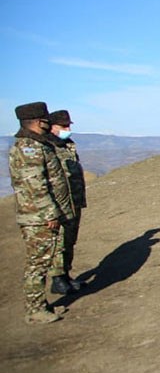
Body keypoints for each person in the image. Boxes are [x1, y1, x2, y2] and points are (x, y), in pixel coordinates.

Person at [9, 102, 77, 323]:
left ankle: (39, 305)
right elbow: (35, 185)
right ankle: (34, 310)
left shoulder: (37, 144)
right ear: (38, 121)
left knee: (41, 262)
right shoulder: (28, 147)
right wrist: (50, 214)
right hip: (38, 217)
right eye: (46, 120)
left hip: (40, 215)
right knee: (38, 264)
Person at [48, 109, 87, 285]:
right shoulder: (48, 148)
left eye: (67, 125)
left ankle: (65, 274)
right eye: (62, 126)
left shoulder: (68, 145)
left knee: (70, 239)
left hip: (74, 200)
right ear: (51, 127)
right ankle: (58, 278)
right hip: (60, 202)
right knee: (60, 240)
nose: (66, 128)